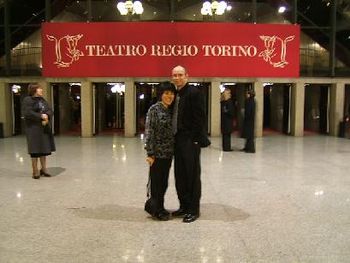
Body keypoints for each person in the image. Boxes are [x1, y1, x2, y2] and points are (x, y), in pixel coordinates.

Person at [171, 65, 207, 223]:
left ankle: (194, 209)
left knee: (192, 175)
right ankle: (184, 205)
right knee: (180, 175)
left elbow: (200, 117)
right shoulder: (175, 94)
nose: (177, 77)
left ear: (187, 76)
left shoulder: (194, 93)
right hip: (177, 140)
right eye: (175, 75)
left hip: (189, 140)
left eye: (180, 75)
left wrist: (195, 139)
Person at [144, 81, 176, 221]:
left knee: (163, 182)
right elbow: (149, 131)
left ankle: (160, 206)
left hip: (168, 153)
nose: (170, 96)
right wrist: (150, 153)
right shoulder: (154, 109)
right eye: (166, 93)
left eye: (172, 93)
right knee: (156, 182)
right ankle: (156, 209)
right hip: (157, 154)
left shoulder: (171, 109)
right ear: (161, 95)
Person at [22, 83, 56, 179]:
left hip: (44, 128)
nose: (41, 90)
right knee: (35, 150)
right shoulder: (27, 100)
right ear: (34, 90)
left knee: (44, 149)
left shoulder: (42, 100)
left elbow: (49, 110)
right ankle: (35, 170)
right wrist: (40, 116)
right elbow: (27, 112)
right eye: (39, 89)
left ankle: (44, 169)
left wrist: (47, 115)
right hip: (33, 129)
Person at [241, 89, 256, 153]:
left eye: (247, 93)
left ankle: (251, 149)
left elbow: (249, 111)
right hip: (250, 120)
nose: (246, 94)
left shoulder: (250, 101)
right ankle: (247, 147)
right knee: (248, 135)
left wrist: (244, 113)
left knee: (249, 135)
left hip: (249, 120)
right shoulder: (252, 101)